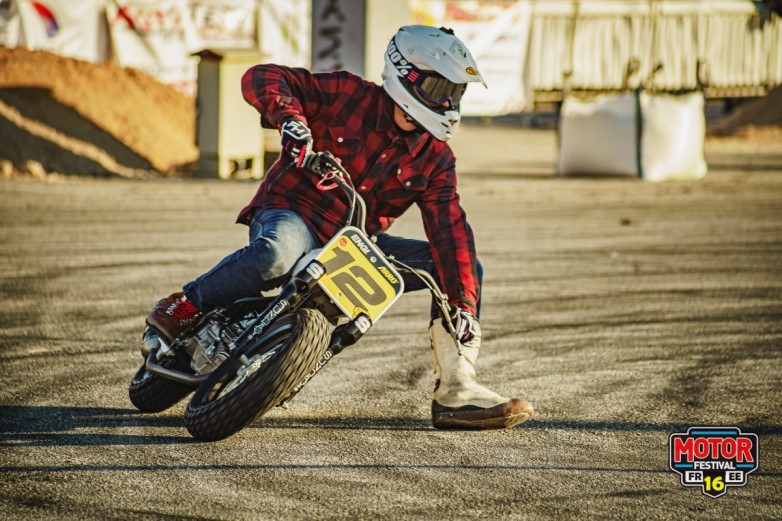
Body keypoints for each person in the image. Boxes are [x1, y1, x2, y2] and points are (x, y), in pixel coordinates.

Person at [147, 25, 534, 430]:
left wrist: (464, 306)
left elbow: (449, 230)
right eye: (439, 88)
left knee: (461, 268)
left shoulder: (436, 158)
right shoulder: (349, 93)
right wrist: (291, 122)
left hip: (355, 240)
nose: (447, 101)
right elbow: (262, 76)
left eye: (454, 92)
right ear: (406, 73)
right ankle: (187, 304)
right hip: (292, 210)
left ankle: (457, 388)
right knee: (277, 255)